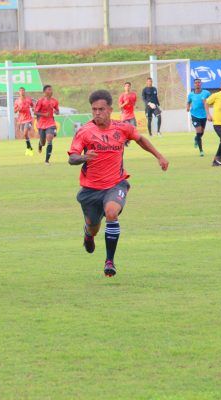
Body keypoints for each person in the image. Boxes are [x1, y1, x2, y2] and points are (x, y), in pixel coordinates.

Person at [68, 89, 168, 277]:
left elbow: (140, 140)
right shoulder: (84, 132)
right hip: (91, 189)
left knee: (112, 212)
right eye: (94, 109)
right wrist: (84, 157)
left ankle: (109, 261)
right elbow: (71, 158)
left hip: (116, 184)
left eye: (101, 109)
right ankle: (88, 234)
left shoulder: (122, 128)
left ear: (110, 109)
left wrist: (159, 156)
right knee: (93, 226)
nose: (97, 113)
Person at [34, 84, 59, 165]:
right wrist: (44, 114)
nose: (51, 91)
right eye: (49, 89)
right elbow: (35, 112)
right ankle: (40, 144)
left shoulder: (54, 101)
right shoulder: (40, 101)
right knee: (43, 142)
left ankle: (47, 161)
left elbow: (57, 111)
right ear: (44, 92)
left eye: (51, 89)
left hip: (51, 123)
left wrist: (56, 112)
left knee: (50, 139)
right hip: (41, 124)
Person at [187, 78, 211, 157]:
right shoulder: (191, 94)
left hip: (203, 115)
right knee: (199, 131)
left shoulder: (206, 93)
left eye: (199, 83)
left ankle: (196, 138)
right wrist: (188, 107)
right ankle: (201, 151)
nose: (197, 84)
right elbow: (188, 102)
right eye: (196, 83)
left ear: (201, 84)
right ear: (194, 84)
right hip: (194, 115)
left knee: (201, 133)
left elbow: (211, 100)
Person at [14, 87, 34, 156]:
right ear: (19, 92)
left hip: (28, 119)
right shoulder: (17, 101)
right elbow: (14, 110)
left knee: (25, 133)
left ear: (25, 91)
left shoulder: (29, 99)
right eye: (20, 91)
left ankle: (29, 148)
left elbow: (32, 105)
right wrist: (18, 109)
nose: (22, 92)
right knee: (25, 135)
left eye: (23, 90)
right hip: (21, 120)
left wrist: (34, 108)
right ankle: (29, 148)